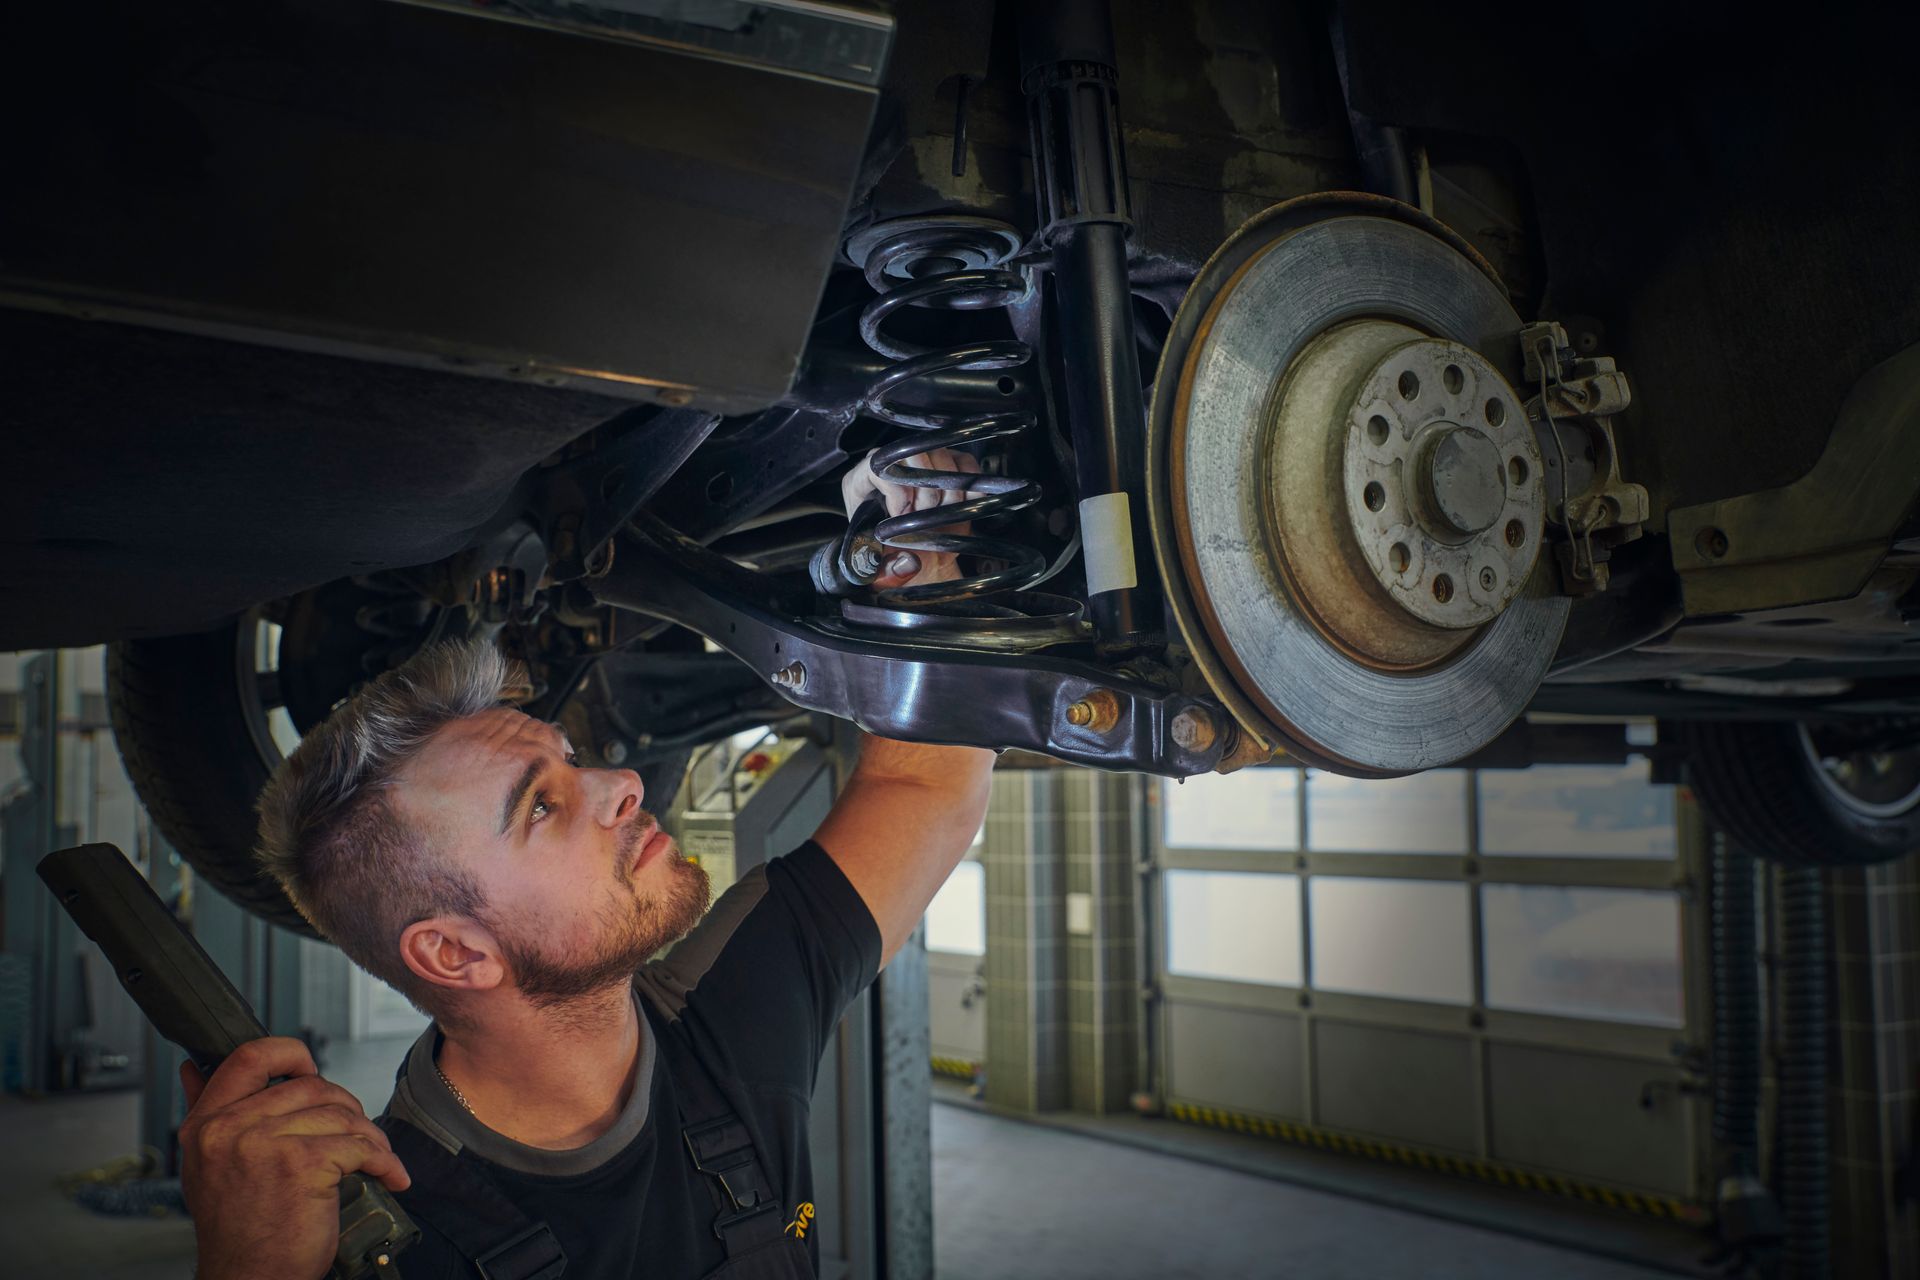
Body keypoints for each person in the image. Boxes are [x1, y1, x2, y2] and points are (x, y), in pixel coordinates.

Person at [176, 452, 992, 1280]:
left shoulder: (728, 1017)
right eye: (541, 805)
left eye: (572, 761)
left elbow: (921, 786)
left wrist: (921, 556)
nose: (626, 784)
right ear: (455, 952)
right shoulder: (390, 1241)